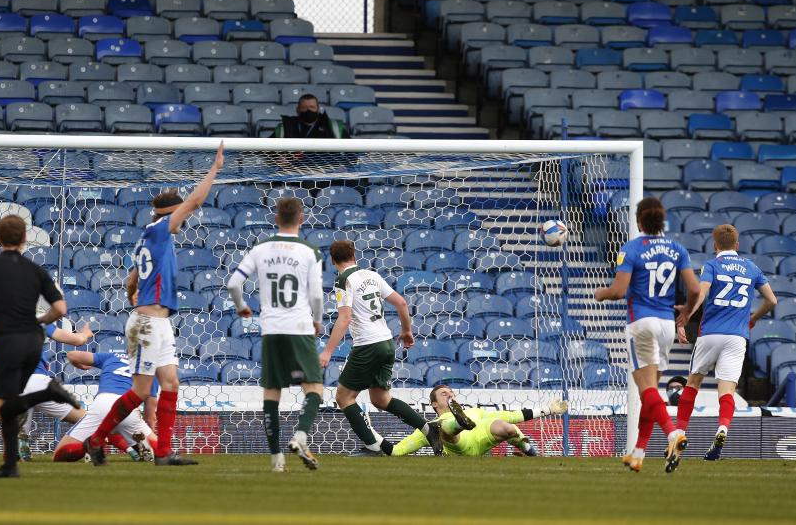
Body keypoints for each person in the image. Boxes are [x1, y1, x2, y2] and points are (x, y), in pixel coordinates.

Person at [83, 141, 225, 467]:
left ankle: (163, 451)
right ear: (170, 213)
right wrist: (214, 168)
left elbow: (130, 280)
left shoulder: (148, 237)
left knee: (171, 383)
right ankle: (96, 438)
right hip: (147, 323)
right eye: (180, 212)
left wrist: (134, 295)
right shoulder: (162, 230)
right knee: (139, 391)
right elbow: (197, 199)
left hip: (156, 321)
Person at [594, 196, 699, 474]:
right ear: (661, 220)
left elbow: (618, 291)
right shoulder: (678, 249)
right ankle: (638, 453)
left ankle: (673, 433)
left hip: (642, 323)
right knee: (647, 394)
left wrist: (600, 294)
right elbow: (696, 288)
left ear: (639, 220)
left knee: (648, 390)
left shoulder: (631, 249)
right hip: (666, 325)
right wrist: (687, 310)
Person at [0, 215, 78, 478]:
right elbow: (60, 308)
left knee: (2, 408)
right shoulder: (36, 270)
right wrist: (40, 320)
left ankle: (46, 395)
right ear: (25, 239)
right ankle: (10, 466)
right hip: (33, 342)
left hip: (7, 341)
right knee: (11, 405)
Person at [318, 240, 443, 456]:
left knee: (344, 398)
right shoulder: (372, 275)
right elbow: (402, 303)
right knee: (380, 399)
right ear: (354, 256)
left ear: (332, 260)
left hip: (367, 345)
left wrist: (327, 351)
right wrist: (406, 331)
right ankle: (428, 428)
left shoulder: (343, 280)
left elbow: (345, 318)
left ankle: (373, 446)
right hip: (386, 343)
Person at [226, 197, 324, 472]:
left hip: (271, 329)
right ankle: (301, 436)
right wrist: (317, 321)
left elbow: (233, 283)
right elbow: (316, 294)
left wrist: (242, 307)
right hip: (300, 327)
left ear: (275, 219)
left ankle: (276, 460)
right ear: (301, 219)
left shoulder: (261, 248)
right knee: (314, 387)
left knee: (272, 392)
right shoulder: (310, 251)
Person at [674, 224, 777, 461]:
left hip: (710, 333)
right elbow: (772, 300)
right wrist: (754, 318)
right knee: (727, 390)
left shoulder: (712, 265)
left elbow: (702, 292)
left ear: (715, 245)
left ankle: (679, 433)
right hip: (737, 336)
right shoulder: (751, 267)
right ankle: (722, 428)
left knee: (693, 383)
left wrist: (687, 314)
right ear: (737, 245)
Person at [0, 322, 94, 461]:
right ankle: (87, 448)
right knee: (88, 420)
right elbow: (78, 340)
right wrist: (86, 334)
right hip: (39, 382)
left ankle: (17, 443)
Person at [385, 385, 568, 457]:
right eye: (444, 394)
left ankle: (530, 452)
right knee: (442, 428)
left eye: (451, 393)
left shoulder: (476, 411)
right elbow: (397, 451)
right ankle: (458, 425)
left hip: (481, 437)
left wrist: (548, 410)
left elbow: (512, 414)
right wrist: (377, 443)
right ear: (434, 403)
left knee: (508, 427)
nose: (450, 395)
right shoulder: (427, 428)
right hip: (460, 447)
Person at [53, 349, 159, 463]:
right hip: (128, 408)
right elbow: (150, 415)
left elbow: (72, 355)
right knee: (161, 452)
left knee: (59, 456)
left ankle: (88, 445)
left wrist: (81, 366)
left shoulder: (111, 356)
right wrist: (149, 431)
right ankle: (144, 446)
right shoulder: (151, 369)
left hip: (102, 403)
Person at [271, 94, 350, 139]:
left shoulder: (333, 126)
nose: (308, 110)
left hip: (327, 167)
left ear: (318, 109)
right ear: (297, 110)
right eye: (304, 107)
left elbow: (351, 152)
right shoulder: (286, 126)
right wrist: (278, 158)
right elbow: (267, 149)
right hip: (294, 167)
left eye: (312, 107)